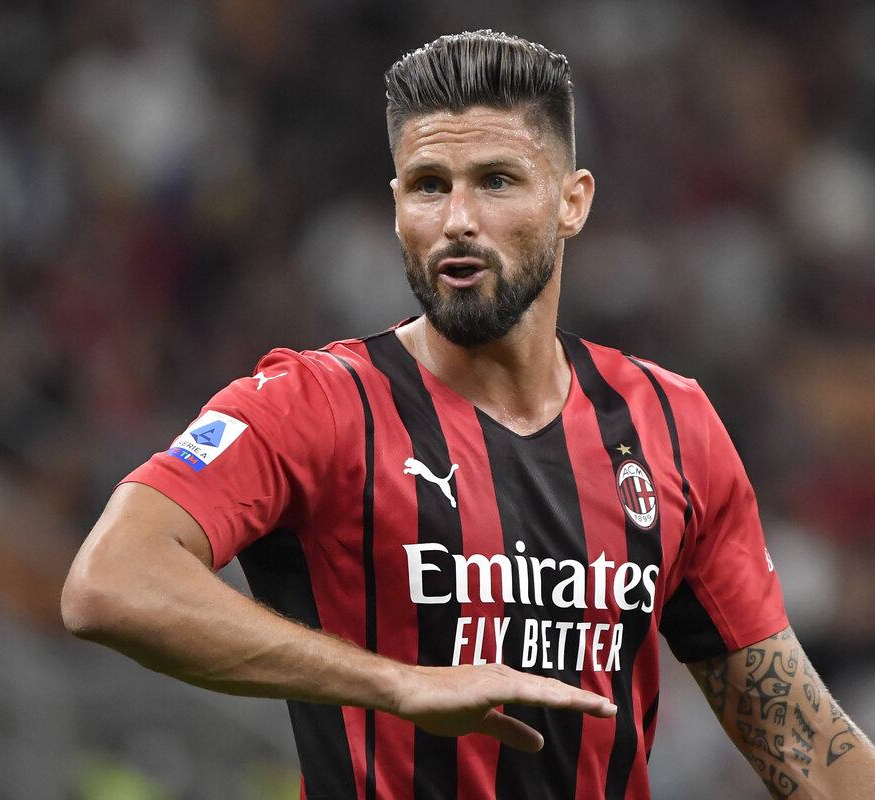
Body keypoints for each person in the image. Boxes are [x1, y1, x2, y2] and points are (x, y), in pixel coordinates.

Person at [62, 30, 875, 799]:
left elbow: (800, 740)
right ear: (395, 206)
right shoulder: (315, 404)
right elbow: (109, 581)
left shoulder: (673, 425)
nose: (456, 219)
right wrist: (397, 683)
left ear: (571, 201)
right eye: (428, 186)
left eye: (495, 180)